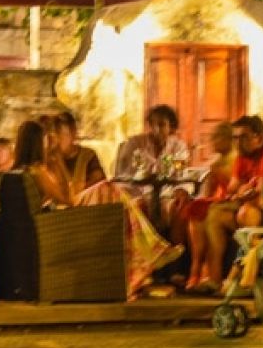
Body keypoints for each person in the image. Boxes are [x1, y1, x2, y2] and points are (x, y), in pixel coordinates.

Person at [12, 118, 182, 298]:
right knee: (110, 192)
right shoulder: (39, 171)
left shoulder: (23, 170)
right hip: (55, 224)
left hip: (48, 220)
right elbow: (68, 199)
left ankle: (144, 258)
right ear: (39, 143)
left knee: (113, 195)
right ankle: (146, 255)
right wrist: (57, 160)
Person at [202, 115, 263, 292]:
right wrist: (245, 191)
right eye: (235, 138)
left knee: (245, 213)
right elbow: (233, 188)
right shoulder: (242, 157)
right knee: (215, 216)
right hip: (256, 209)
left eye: (244, 137)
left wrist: (246, 191)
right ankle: (215, 281)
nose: (237, 143)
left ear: (259, 138)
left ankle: (248, 279)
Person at [183, 122, 236, 293]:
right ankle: (196, 270)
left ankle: (208, 275)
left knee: (210, 216)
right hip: (222, 204)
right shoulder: (216, 163)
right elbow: (207, 192)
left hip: (235, 207)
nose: (212, 141)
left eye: (216, 137)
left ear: (229, 139)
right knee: (196, 214)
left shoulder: (237, 160)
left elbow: (237, 191)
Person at [114, 104, 190, 179]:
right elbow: (136, 171)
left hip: (166, 189)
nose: (156, 129)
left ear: (171, 126)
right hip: (134, 187)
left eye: (161, 125)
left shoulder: (178, 146)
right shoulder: (135, 143)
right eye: (153, 124)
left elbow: (179, 170)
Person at [56, 111, 106, 202]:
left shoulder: (88, 156)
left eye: (64, 135)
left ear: (74, 134)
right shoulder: (51, 158)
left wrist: (61, 165)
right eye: (57, 136)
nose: (59, 141)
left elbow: (97, 187)